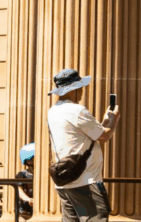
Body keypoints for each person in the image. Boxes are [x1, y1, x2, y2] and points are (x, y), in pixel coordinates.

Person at [45, 69, 118, 222]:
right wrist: (114, 119)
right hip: (85, 183)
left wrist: (105, 121)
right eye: (81, 87)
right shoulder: (77, 110)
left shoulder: (52, 111)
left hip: (66, 182)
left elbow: (93, 135)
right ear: (75, 89)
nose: (83, 91)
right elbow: (104, 136)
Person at [13, 144, 36, 222]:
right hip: (24, 209)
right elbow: (19, 190)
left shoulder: (42, 175)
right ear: (29, 161)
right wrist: (28, 199)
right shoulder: (22, 175)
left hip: (36, 209)